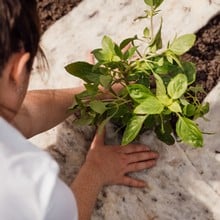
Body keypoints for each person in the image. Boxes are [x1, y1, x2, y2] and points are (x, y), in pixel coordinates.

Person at [0, 0, 159, 219]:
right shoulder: (30, 187)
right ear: (16, 70)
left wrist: (97, 92)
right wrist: (96, 170)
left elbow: (22, 114)